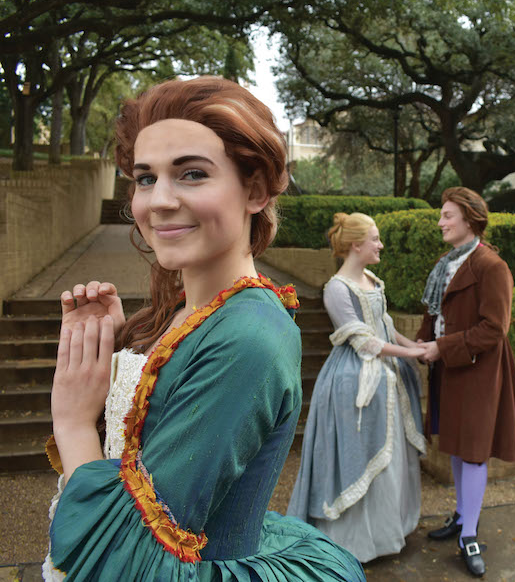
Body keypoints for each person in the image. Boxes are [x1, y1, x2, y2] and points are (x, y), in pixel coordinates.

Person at [42, 76, 364, 581]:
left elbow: (129, 560)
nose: (159, 200)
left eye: (191, 174)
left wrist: (74, 421)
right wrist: (113, 364)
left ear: (254, 189)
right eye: (146, 178)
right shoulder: (187, 310)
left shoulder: (248, 336)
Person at [287, 212, 427, 563]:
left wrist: (415, 348)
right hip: (353, 382)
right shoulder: (336, 288)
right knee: (360, 452)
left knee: (392, 455)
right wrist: (409, 353)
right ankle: (354, 541)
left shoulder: (371, 278)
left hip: (387, 378)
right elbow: (364, 342)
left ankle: (386, 531)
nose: (380, 245)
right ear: (356, 245)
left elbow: (384, 326)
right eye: (375, 239)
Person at [417, 187, 515, 578]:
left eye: (448, 215)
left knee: (474, 451)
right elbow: (436, 311)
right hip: (449, 367)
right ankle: (463, 516)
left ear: (469, 218)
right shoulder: (446, 262)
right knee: (455, 442)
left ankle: (469, 535)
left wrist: (441, 347)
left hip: (479, 371)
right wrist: (422, 340)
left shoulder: (491, 266)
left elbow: (494, 329)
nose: (441, 222)